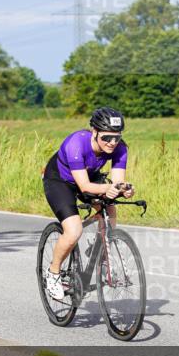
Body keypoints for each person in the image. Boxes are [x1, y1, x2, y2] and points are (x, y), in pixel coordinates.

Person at [41, 106, 135, 300]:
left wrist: (124, 189)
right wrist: (109, 189)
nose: (112, 143)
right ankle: (53, 273)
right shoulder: (76, 143)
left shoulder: (121, 148)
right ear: (94, 132)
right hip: (60, 181)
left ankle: (102, 247)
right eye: (106, 138)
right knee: (74, 230)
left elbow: (117, 182)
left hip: (90, 177)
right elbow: (84, 187)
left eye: (116, 137)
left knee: (109, 207)